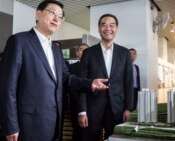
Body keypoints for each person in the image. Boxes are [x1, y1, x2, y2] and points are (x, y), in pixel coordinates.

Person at [0, 1, 108, 141]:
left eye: (60, 16)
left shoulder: (56, 50)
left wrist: (89, 84)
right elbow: (7, 87)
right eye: (52, 12)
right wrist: (10, 125)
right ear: (38, 14)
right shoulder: (19, 41)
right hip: (27, 125)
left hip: (54, 124)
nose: (57, 18)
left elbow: (66, 78)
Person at [78, 13, 134, 141]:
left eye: (112, 25)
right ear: (99, 28)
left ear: (116, 29)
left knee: (115, 138)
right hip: (92, 108)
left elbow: (128, 82)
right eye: (104, 25)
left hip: (117, 108)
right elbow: (82, 83)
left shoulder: (124, 53)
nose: (108, 28)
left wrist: (128, 108)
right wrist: (82, 111)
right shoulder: (88, 53)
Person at [68, 43, 89, 141]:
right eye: (81, 49)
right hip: (75, 105)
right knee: (77, 133)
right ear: (77, 53)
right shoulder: (71, 67)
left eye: (86, 49)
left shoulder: (93, 67)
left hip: (92, 106)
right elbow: (70, 86)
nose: (83, 51)